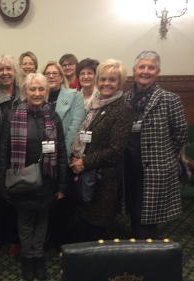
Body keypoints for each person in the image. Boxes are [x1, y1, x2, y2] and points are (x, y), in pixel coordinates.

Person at [0, 73, 68, 281]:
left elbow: (62, 151)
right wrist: (3, 185)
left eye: (41, 89)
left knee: (42, 220)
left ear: (47, 92)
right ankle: (28, 258)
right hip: (21, 179)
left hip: (47, 179)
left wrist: (62, 185)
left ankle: (38, 256)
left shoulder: (53, 116)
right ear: (25, 91)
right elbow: (4, 152)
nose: (37, 93)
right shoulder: (12, 115)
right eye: (32, 89)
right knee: (25, 221)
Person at [124, 51, 188, 239]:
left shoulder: (170, 99)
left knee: (149, 214)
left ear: (157, 72)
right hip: (129, 165)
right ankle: (136, 241)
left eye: (150, 67)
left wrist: (165, 155)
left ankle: (146, 254)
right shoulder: (125, 98)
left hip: (156, 167)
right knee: (134, 207)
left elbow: (180, 133)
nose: (146, 71)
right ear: (134, 71)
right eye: (141, 67)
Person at [69, 59, 134, 241]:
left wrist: (84, 162)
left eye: (112, 80)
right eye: (103, 79)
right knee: (84, 222)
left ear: (119, 83)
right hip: (86, 173)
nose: (106, 83)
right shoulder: (95, 105)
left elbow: (115, 150)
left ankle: (94, 267)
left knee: (95, 228)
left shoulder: (123, 109)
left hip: (103, 179)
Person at [41, 61, 85, 247]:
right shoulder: (37, 95)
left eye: (55, 73)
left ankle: (59, 239)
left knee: (62, 202)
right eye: (47, 73)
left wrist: (61, 156)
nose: (51, 76)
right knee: (44, 200)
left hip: (63, 159)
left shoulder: (74, 96)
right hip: (41, 160)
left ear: (61, 76)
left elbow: (75, 126)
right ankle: (45, 236)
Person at [0, 53, 23, 258]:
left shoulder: (24, 93)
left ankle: (15, 239)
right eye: (1, 69)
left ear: (15, 71)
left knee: (17, 196)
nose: (5, 72)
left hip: (20, 154)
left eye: (9, 68)